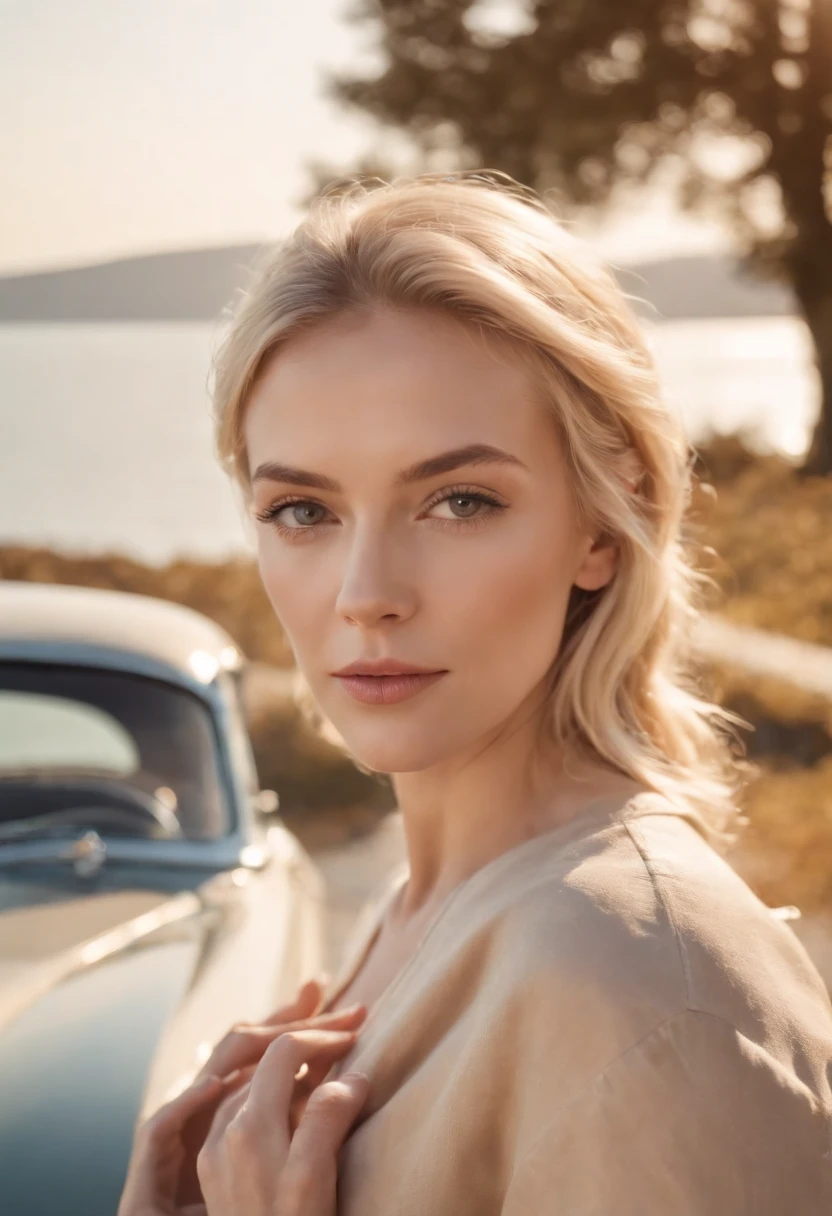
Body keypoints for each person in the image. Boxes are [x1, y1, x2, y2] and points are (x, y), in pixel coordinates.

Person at [119, 171, 832, 1215]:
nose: (366, 597)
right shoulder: (422, 906)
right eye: (303, 510)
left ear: (602, 518)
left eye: (459, 500)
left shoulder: (640, 987)